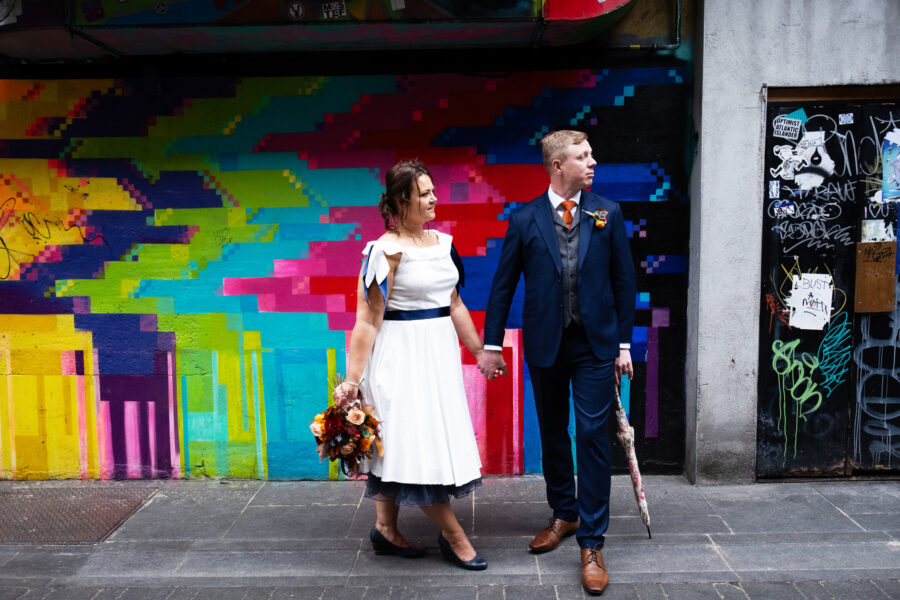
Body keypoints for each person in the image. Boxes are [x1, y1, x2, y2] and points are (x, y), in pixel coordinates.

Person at [477, 130, 636, 595]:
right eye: (582, 156)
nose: (592, 162)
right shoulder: (525, 219)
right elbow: (503, 285)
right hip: (545, 344)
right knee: (552, 432)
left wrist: (624, 345)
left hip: (595, 346)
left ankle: (592, 540)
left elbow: (624, 282)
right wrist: (491, 345)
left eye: (591, 154)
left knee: (590, 433)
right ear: (556, 165)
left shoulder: (607, 213)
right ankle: (564, 512)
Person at [332, 159, 489, 571]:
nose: (434, 198)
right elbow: (366, 320)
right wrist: (352, 380)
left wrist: (480, 351)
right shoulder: (383, 252)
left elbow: (455, 304)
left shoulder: (444, 244)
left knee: (404, 446)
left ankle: (385, 529)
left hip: (437, 358)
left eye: (432, 191)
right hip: (399, 361)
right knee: (413, 446)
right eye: (424, 193)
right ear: (402, 200)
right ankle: (453, 535)